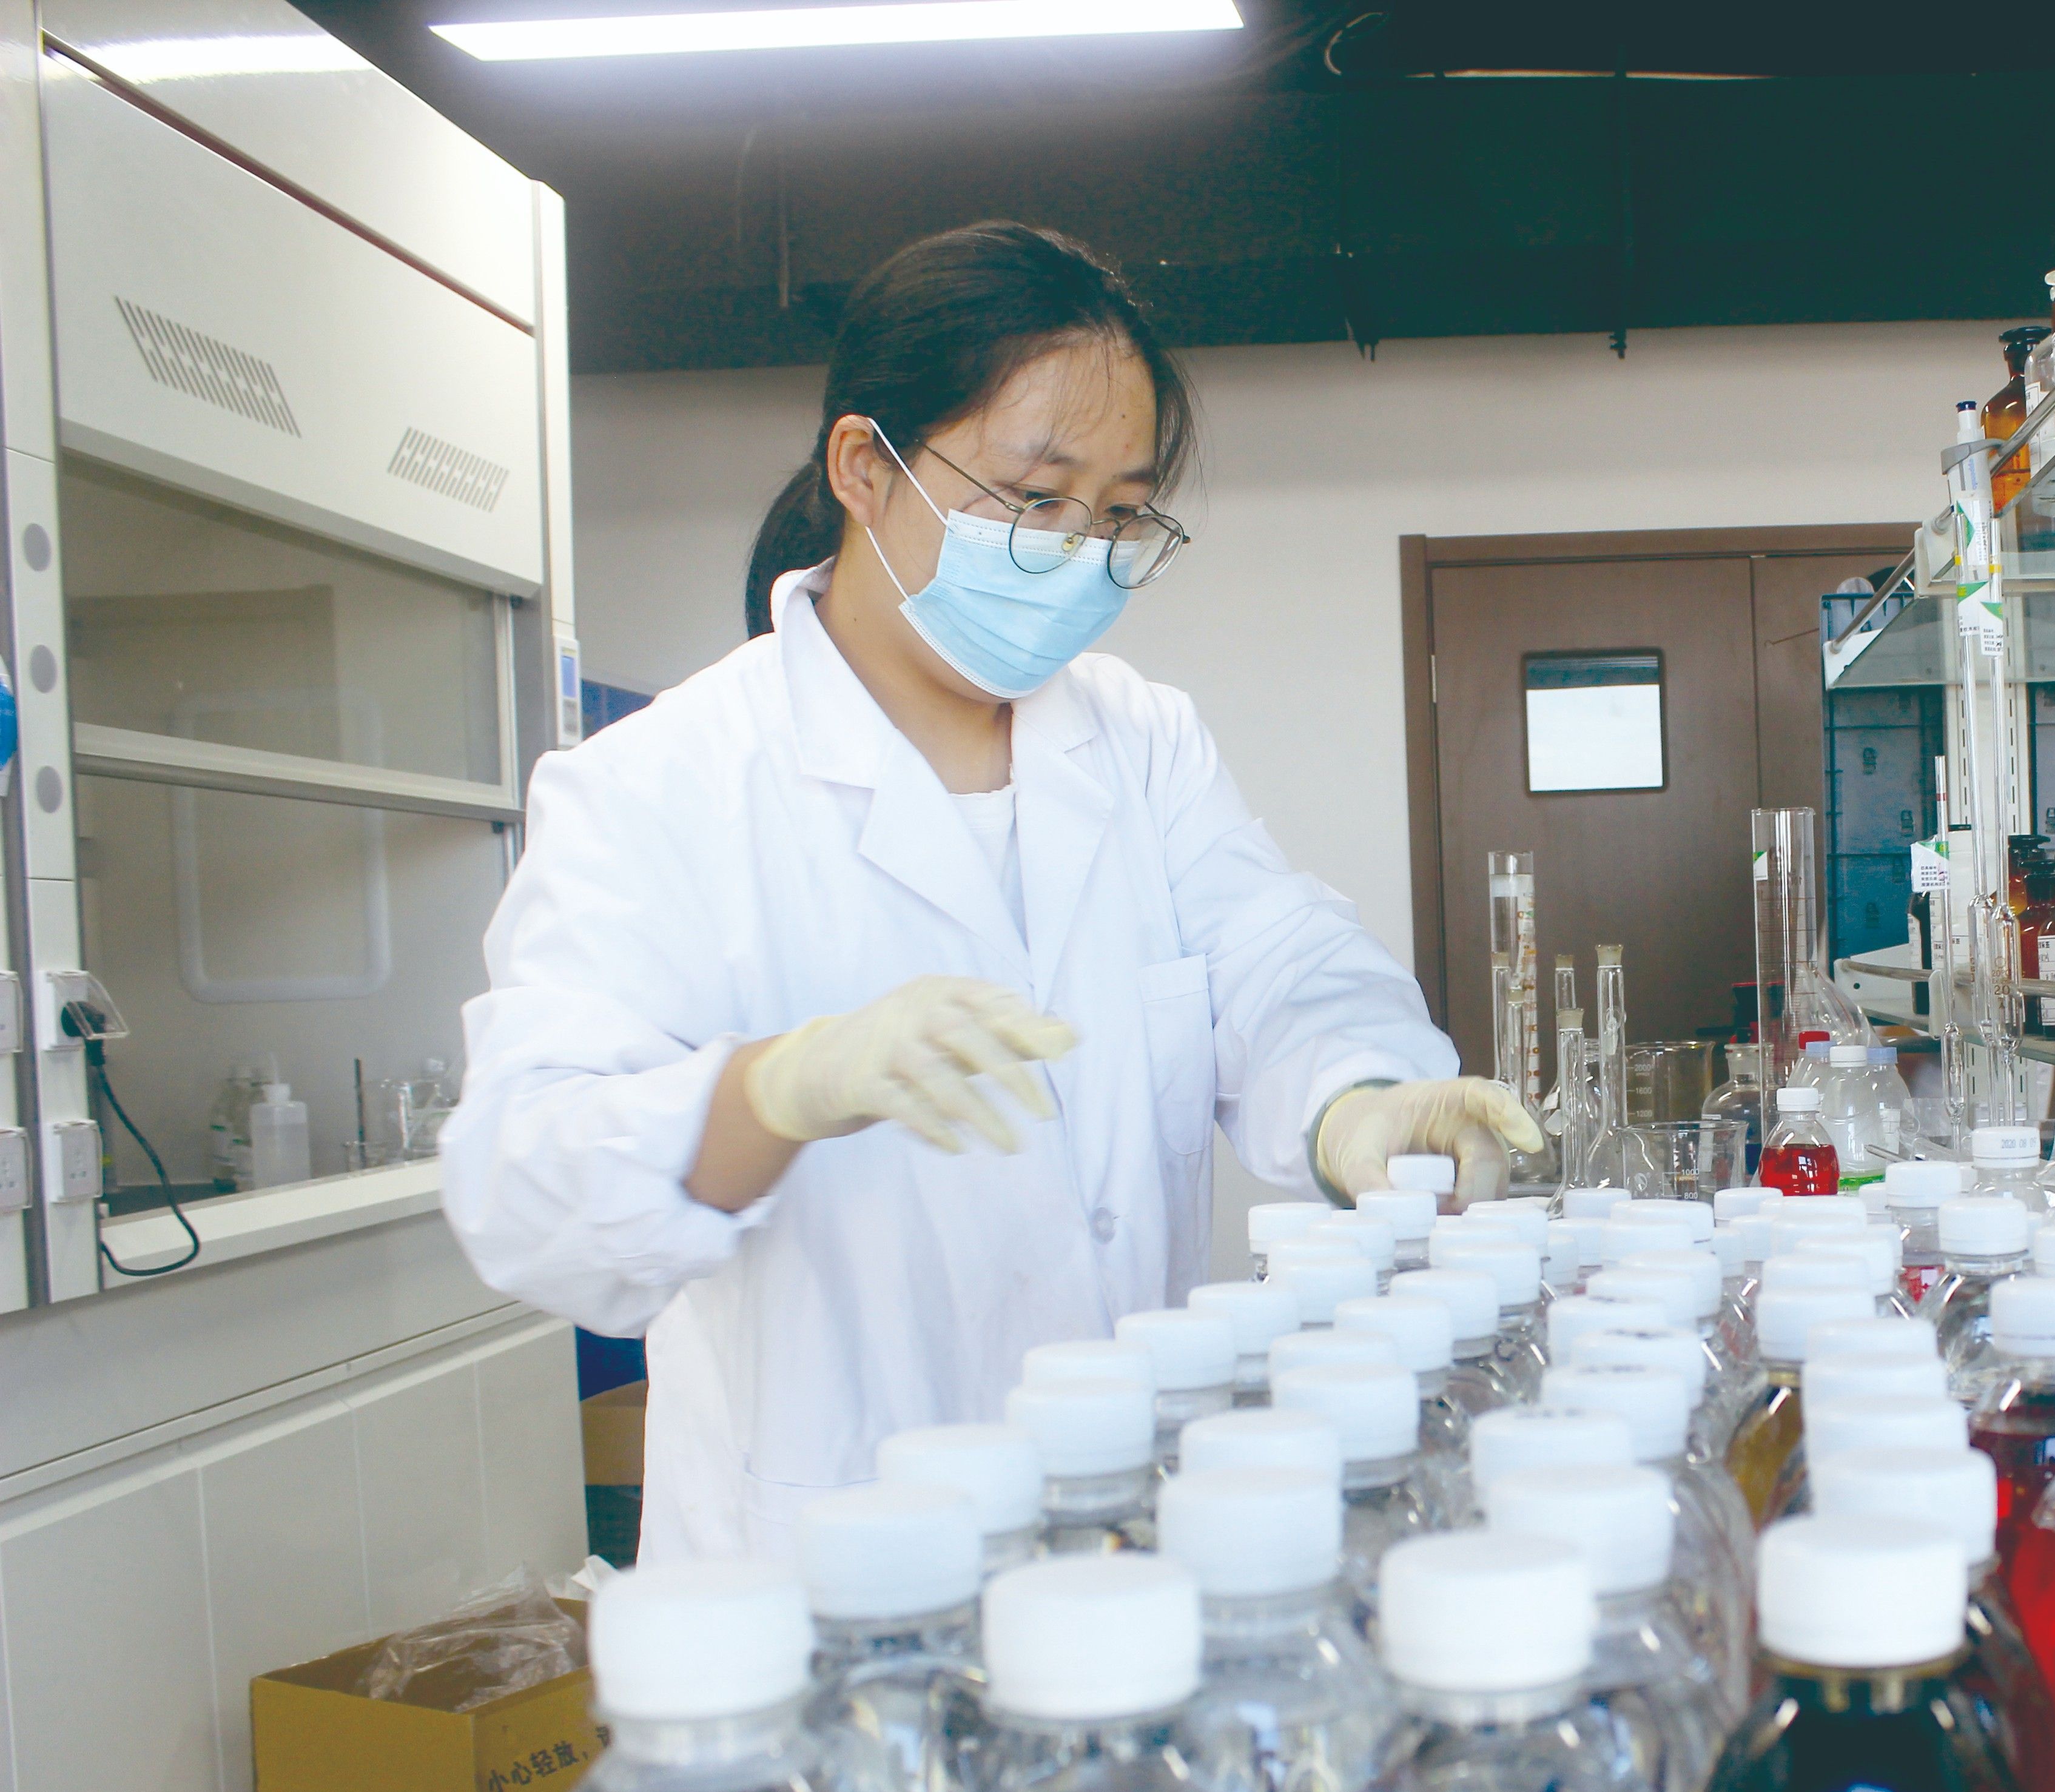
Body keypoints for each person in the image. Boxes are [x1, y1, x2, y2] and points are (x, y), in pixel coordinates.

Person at [443, 222, 1538, 1563]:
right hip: (824, 1570)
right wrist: (776, 1091)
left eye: (1120, 514)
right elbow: (526, 1189)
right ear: (865, 467)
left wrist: (1359, 1100)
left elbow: (1277, 963)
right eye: (1033, 498)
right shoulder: (659, 787)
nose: (1081, 553)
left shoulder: (1141, 745)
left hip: (1124, 1540)